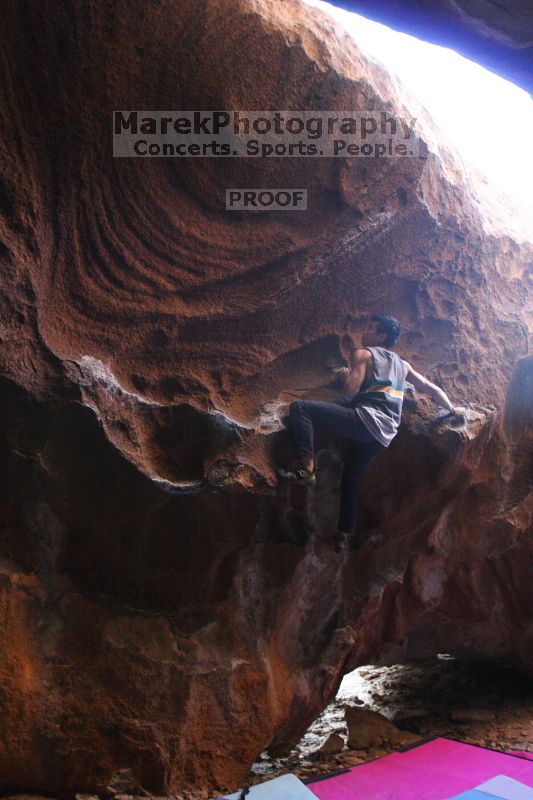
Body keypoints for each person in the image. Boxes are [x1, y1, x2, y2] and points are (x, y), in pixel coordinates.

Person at [277, 314, 463, 551]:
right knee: (351, 479)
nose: (365, 332)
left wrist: (343, 374)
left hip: (364, 420)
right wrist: (452, 408)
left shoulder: (363, 353)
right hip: (384, 435)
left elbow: (350, 390)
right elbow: (430, 388)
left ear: (381, 336)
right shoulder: (403, 365)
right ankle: (344, 535)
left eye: (371, 329)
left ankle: (306, 467)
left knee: (300, 409)